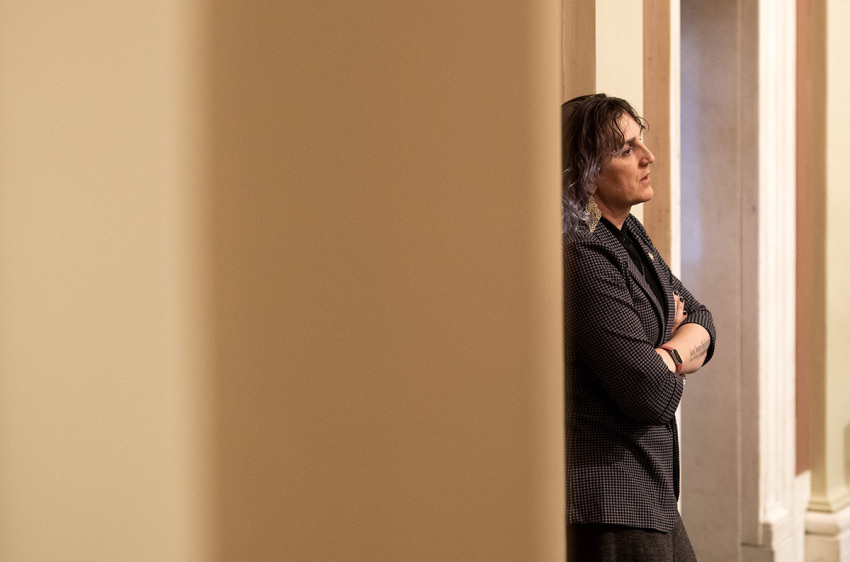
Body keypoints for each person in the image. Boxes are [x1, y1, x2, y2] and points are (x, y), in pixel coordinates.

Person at [562, 93, 716, 561]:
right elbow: (648, 393)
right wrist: (674, 353)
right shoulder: (582, 254)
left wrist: (664, 350)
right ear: (585, 172)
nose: (648, 157)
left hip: (649, 489)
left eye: (640, 143)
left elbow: (704, 320)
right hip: (609, 499)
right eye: (626, 149)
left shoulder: (629, 234)